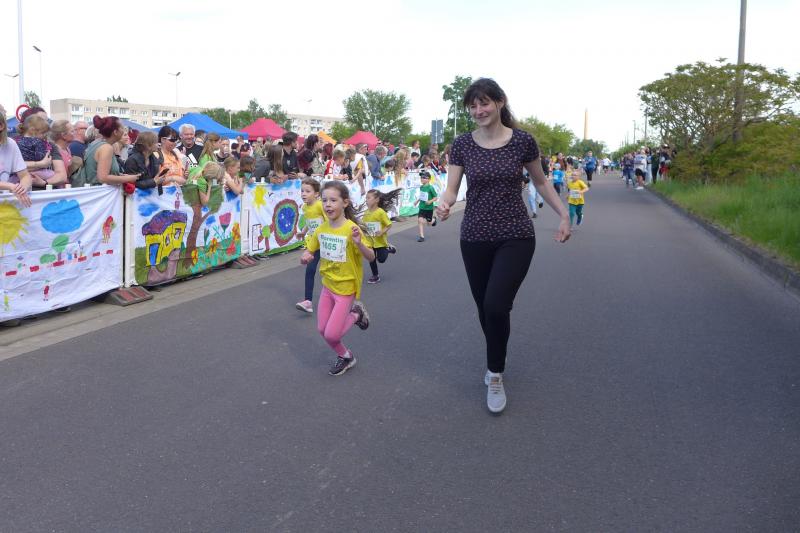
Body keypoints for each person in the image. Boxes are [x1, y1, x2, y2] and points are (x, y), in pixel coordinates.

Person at [435, 78, 570, 414]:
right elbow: (452, 188)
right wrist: (444, 203)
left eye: (484, 103)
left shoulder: (522, 141)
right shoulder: (462, 144)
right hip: (474, 236)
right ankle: (497, 354)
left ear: (500, 102)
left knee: (496, 305)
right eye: (473, 106)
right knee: (485, 308)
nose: (478, 110)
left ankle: (495, 373)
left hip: (515, 234)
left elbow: (540, 182)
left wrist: (564, 214)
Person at [300, 181, 374, 376]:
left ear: (345, 203)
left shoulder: (351, 229)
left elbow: (371, 257)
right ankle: (346, 356)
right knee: (322, 330)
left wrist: (359, 244)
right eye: (325, 200)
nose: (328, 204)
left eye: (333, 200)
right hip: (328, 286)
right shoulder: (322, 229)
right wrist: (306, 255)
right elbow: (310, 249)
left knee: (332, 334)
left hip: (346, 288)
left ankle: (356, 314)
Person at [76, 116, 139, 186]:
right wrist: (129, 178)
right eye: (122, 128)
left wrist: (120, 175)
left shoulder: (96, 143)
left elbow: (96, 171)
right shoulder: (106, 148)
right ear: (115, 132)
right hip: (100, 190)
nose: (124, 131)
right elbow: (103, 178)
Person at [295, 178, 327, 314]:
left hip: (326, 243)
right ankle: (308, 301)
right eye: (302, 191)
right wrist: (303, 232)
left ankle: (339, 298)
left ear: (316, 194)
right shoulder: (305, 207)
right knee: (310, 270)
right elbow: (310, 222)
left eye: (308, 191)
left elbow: (329, 220)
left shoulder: (320, 205)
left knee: (329, 272)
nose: (304, 193)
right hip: (315, 244)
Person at [363, 188, 401, 283]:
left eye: (368, 198)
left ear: (376, 200)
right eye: (366, 198)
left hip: (380, 241)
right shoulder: (366, 212)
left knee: (381, 259)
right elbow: (364, 225)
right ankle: (375, 276)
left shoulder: (380, 212)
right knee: (371, 258)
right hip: (370, 241)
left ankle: (389, 249)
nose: (366, 200)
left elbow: (389, 224)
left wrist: (381, 232)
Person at [0, 107, 33, 207]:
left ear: (1, 126)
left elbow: (25, 176)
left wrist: (22, 189)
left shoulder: (10, 144)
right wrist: (10, 186)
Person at [16, 115, 57, 187]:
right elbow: (41, 157)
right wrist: (47, 153)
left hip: (20, 174)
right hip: (37, 172)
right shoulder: (37, 141)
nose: (44, 135)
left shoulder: (18, 141)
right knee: (53, 175)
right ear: (32, 130)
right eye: (43, 133)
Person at [414, 170, 438, 242]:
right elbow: (422, 196)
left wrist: (430, 201)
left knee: (429, 223)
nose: (422, 179)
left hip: (429, 208)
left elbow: (436, 197)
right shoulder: (421, 187)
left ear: (429, 179)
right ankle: (422, 236)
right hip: (422, 207)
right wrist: (417, 201)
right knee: (420, 220)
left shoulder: (431, 188)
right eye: (421, 177)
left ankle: (433, 220)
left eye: (424, 177)